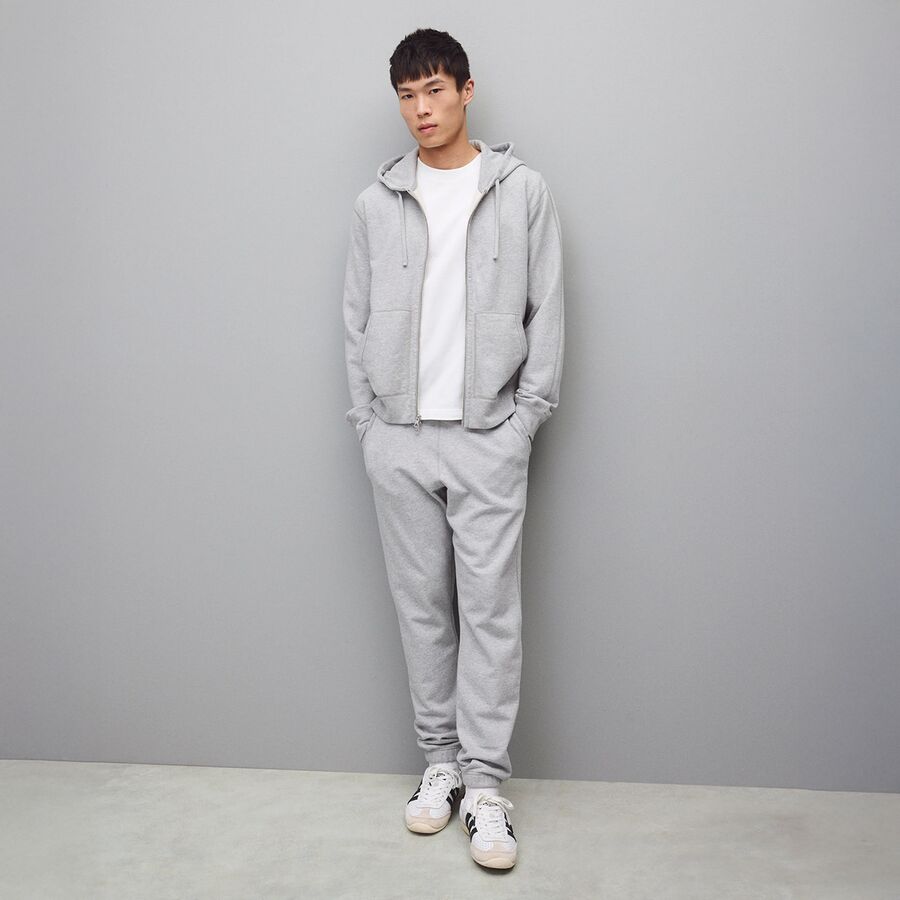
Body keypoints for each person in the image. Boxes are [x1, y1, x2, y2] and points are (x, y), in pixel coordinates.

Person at [341, 27, 564, 870]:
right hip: (399, 439)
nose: (420, 109)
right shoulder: (375, 204)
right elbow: (355, 320)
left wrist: (523, 423)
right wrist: (369, 426)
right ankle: (440, 765)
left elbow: (548, 309)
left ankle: (487, 787)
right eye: (407, 96)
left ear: (466, 91)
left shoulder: (521, 191)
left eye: (434, 90)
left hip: (486, 440)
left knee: (491, 614)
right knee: (422, 611)